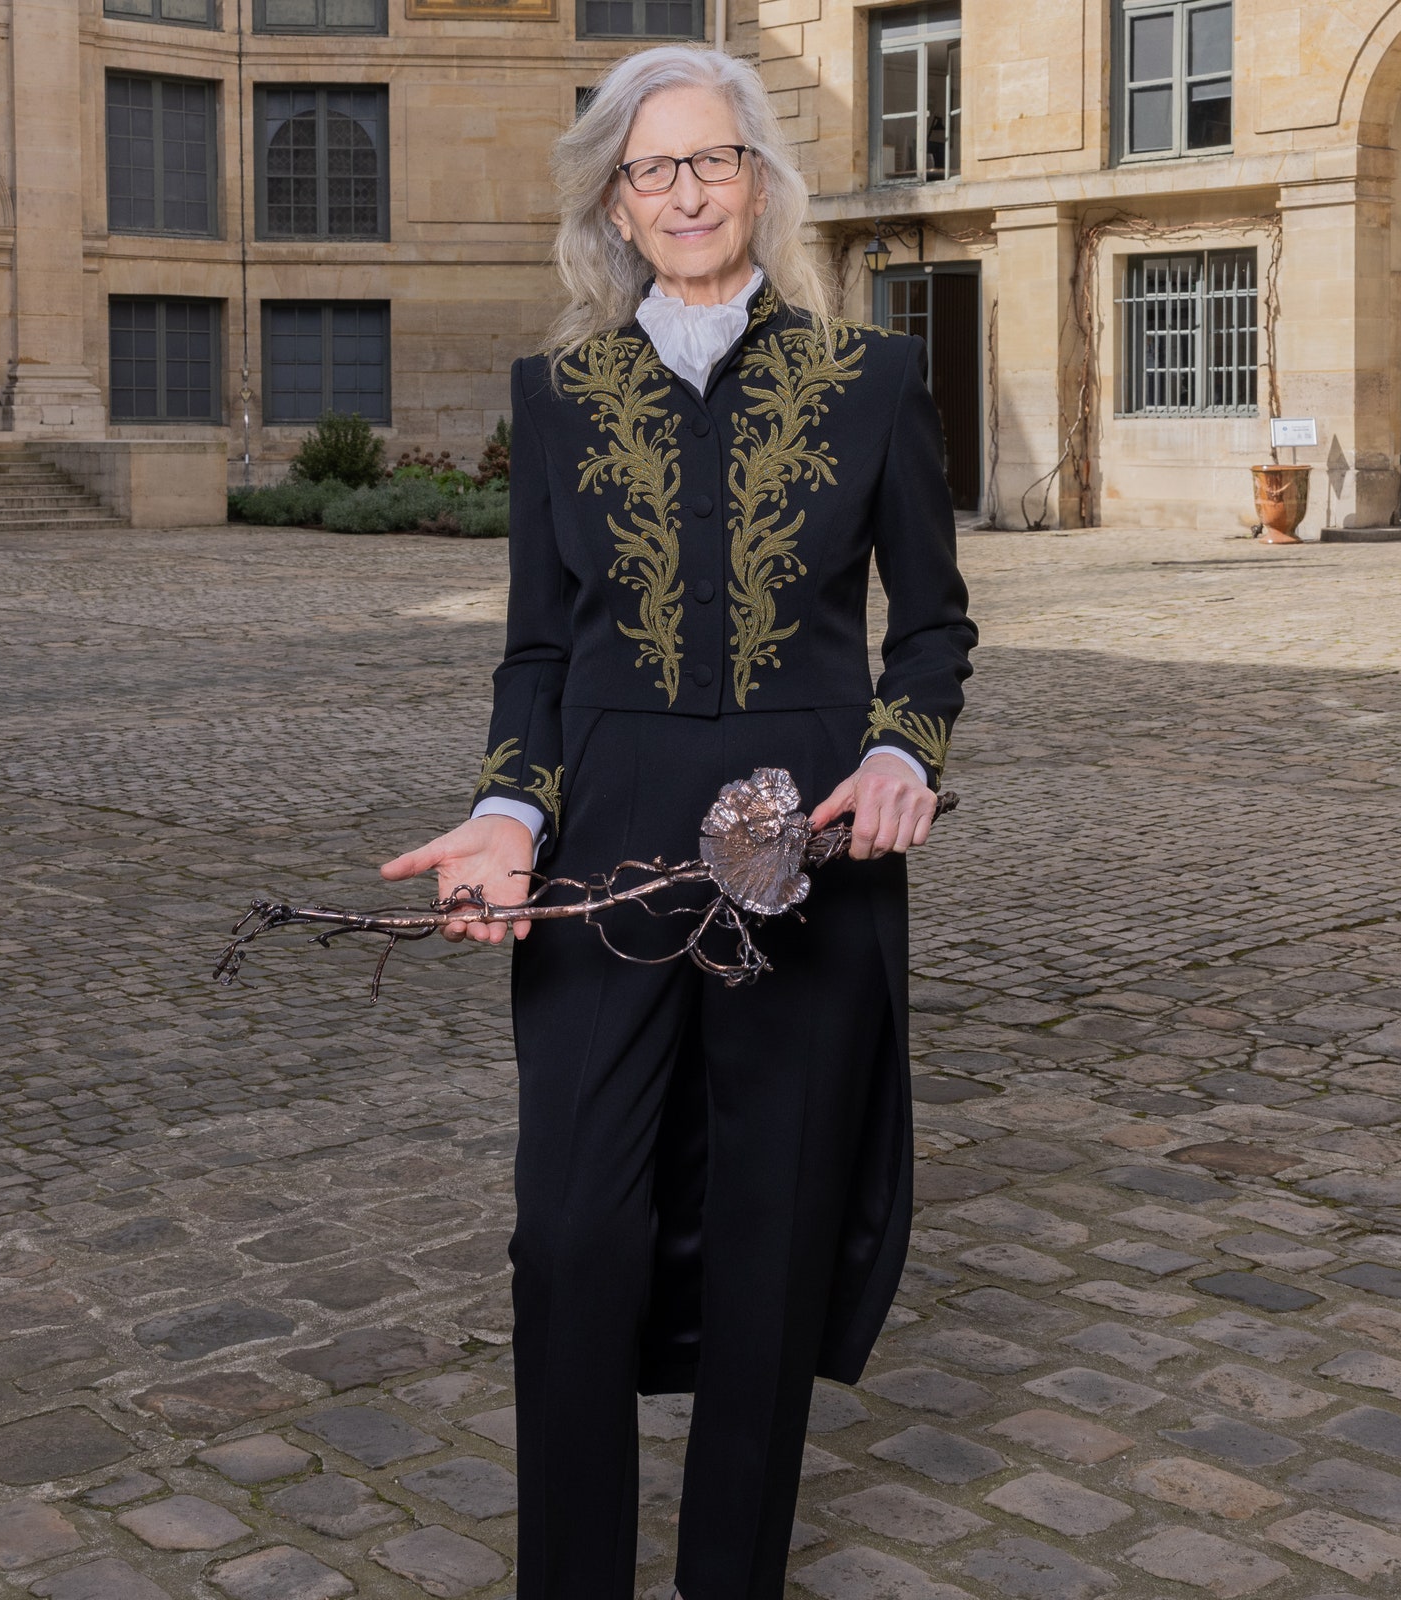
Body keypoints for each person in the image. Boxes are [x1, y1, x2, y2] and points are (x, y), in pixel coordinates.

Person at [382, 43, 976, 1600]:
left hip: (806, 837)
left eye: (716, 160)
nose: (690, 190)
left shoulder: (873, 382)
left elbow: (931, 627)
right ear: (617, 203)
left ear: (762, 184)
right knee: (573, 1228)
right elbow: (536, 644)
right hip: (605, 848)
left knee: (772, 1227)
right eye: (657, 168)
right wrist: (509, 807)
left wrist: (908, 752)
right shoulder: (559, 396)